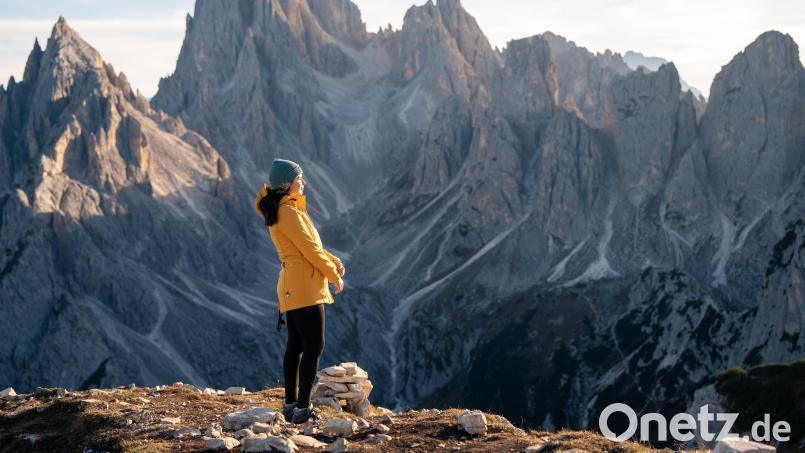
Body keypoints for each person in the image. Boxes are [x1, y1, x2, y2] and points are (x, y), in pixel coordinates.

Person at [254, 158, 346, 424]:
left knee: (295, 346)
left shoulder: (283, 209)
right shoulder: (289, 212)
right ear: (287, 183)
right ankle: (303, 409)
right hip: (304, 286)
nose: (304, 182)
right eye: (300, 178)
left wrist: (332, 259)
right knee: (314, 345)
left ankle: (291, 403)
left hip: (292, 285)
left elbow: (307, 246)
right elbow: (309, 250)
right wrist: (333, 276)